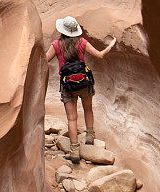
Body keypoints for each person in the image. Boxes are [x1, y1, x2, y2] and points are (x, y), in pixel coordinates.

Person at [45, 15, 116, 163]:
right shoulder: (82, 42)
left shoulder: (56, 45)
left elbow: (44, 60)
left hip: (67, 85)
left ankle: (74, 151)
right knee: (88, 109)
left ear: (62, 30)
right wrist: (111, 45)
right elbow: (100, 55)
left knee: (72, 118)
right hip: (84, 82)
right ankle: (90, 138)